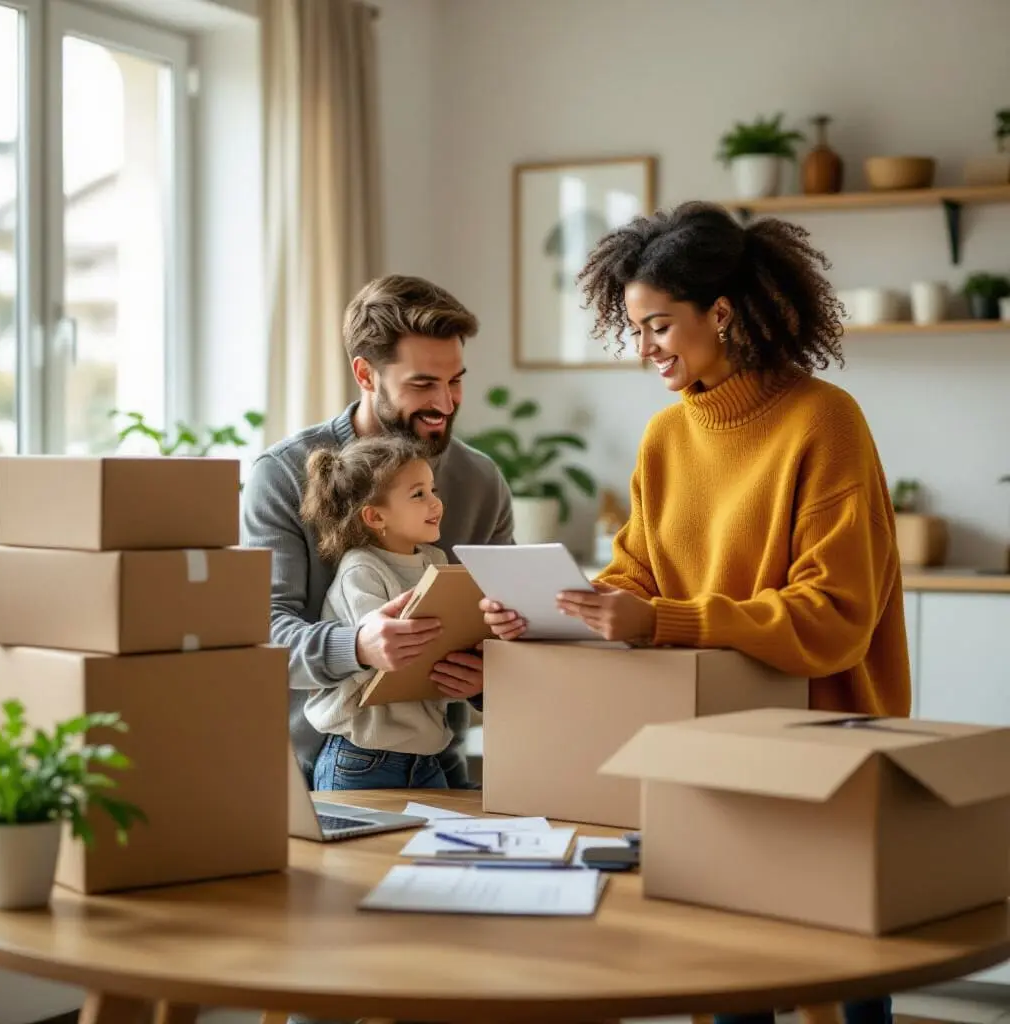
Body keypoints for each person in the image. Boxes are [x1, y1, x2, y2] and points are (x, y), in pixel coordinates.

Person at [482, 201, 910, 1024]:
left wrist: (662, 621)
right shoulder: (664, 439)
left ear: (722, 313)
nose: (645, 351)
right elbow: (638, 574)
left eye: (659, 327)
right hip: (708, 742)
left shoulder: (825, 422)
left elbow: (833, 619)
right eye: (634, 329)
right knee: (722, 973)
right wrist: (565, 611)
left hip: (827, 750)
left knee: (845, 975)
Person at [243, 274, 513, 791]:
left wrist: (488, 680)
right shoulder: (282, 474)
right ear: (366, 375)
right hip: (324, 772)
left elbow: (508, 625)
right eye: (422, 384)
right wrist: (357, 646)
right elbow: (263, 635)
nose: (446, 404)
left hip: (439, 763)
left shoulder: (479, 482)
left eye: (455, 380)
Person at [299, 434, 475, 790]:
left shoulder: (436, 561)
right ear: (375, 516)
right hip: (362, 758)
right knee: (358, 848)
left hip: (426, 758)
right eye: (418, 494)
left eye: (433, 490)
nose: (435, 503)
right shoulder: (360, 570)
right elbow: (387, 664)